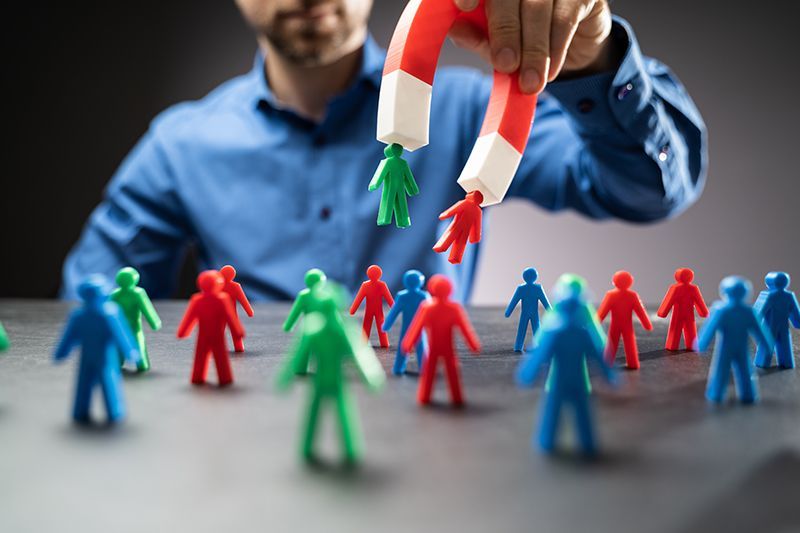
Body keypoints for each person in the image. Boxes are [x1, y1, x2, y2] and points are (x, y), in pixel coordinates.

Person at [62, 0, 707, 302]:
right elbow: (94, 298)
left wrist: (592, 59)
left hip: (433, 431)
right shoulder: (183, 145)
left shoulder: (461, 111)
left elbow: (650, 190)